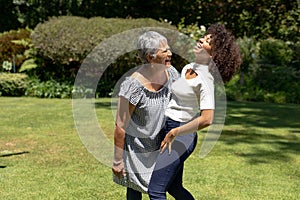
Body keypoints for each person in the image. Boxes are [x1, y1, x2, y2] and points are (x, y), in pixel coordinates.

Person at [148, 24, 242, 200]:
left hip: (181, 134)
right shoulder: (188, 67)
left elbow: (207, 119)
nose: (201, 39)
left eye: (208, 41)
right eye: (204, 37)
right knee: (175, 188)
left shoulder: (206, 79)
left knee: (155, 190)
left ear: (213, 54)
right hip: (169, 127)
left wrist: (175, 132)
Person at [112, 31, 179, 200]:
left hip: (163, 144)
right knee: (134, 188)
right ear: (150, 57)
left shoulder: (172, 74)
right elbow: (120, 125)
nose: (170, 53)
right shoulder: (132, 86)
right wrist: (118, 161)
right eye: (164, 51)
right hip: (137, 149)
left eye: (169, 49)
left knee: (165, 189)